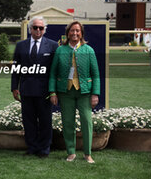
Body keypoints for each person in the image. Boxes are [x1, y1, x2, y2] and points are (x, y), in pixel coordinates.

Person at [48, 21, 100, 164]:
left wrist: (95, 94)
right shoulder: (60, 50)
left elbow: (95, 74)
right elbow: (53, 73)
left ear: (81, 33)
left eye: (77, 31)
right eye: (72, 31)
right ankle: (71, 152)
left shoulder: (88, 50)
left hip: (84, 93)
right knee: (68, 122)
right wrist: (52, 92)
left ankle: (87, 154)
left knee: (86, 122)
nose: (75, 33)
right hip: (66, 92)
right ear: (67, 33)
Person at [11, 16, 58, 158]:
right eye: (35, 27)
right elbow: (16, 69)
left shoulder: (52, 45)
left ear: (44, 30)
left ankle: (44, 149)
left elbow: (55, 71)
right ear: (30, 29)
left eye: (41, 28)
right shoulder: (21, 46)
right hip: (26, 90)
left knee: (45, 121)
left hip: (45, 91)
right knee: (28, 121)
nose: (38, 30)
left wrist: (53, 91)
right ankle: (31, 147)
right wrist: (14, 87)